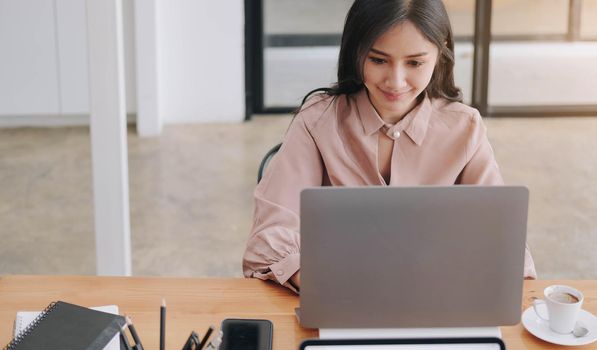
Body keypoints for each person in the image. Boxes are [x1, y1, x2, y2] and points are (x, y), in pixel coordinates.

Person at [243, 0, 537, 293]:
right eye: (378, 60)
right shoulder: (317, 121)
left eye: (415, 62)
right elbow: (270, 234)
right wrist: (325, 285)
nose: (395, 82)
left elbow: (501, 236)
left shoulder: (466, 128)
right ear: (357, 51)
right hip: (339, 291)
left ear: (441, 51)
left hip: (436, 293)